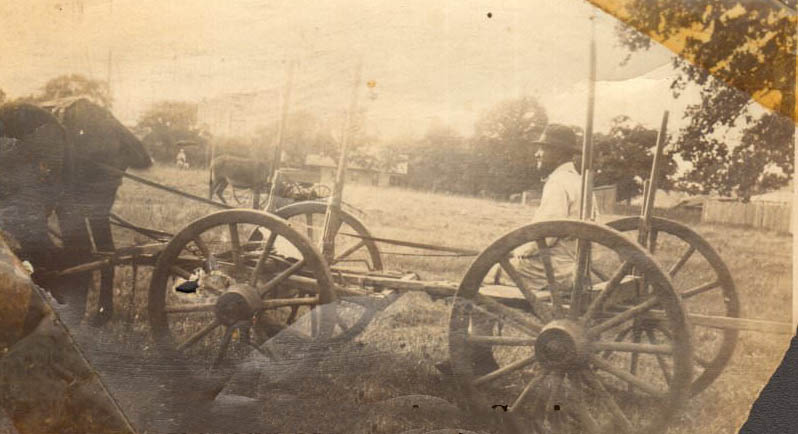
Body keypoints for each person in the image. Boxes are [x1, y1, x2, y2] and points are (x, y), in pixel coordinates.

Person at [436, 123, 598, 377]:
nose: (538, 154)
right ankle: (480, 352)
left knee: (480, 282)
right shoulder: (581, 182)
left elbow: (547, 232)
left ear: (561, 153)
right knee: (491, 272)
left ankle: (479, 355)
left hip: (551, 271)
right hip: (574, 268)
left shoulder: (558, 182)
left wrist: (517, 252)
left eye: (544, 149)